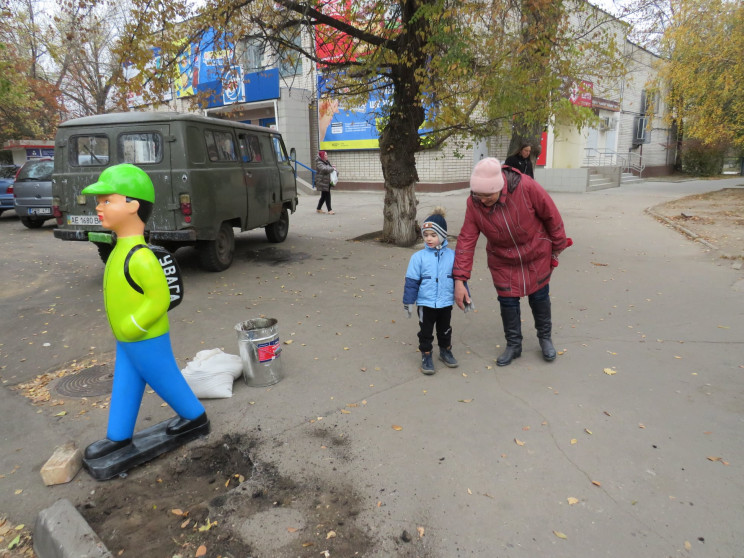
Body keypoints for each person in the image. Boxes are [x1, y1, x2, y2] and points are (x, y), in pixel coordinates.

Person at [81, 164, 208, 460]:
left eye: (106, 201)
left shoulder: (141, 257)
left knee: (164, 377)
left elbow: (160, 298)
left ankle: (194, 416)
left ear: (132, 205)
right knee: (126, 382)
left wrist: (136, 324)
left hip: (144, 335)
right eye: (99, 202)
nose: (98, 207)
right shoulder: (119, 251)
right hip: (127, 336)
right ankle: (119, 436)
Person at [453, 157, 569, 366]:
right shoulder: (474, 204)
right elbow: (467, 239)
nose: (483, 200)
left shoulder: (525, 186)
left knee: (539, 296)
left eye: (488, 195)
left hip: (536, 251)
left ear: (500, 187)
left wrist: (558, 244)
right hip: (502, 258)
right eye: (479, 195)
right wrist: (460, 279)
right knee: (507, 301)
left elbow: (551, 214)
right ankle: (514, 344)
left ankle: (545, 338)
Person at [402, 207, 459, 375]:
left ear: (442, 235)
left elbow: (459, 279)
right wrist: (408, 301)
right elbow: (411, 281)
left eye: (433, 235)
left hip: (445, 302)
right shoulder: (418, 257)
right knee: (425, 331)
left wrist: (465, 297)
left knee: (445, 329)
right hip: (425, 303)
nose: (429, 239)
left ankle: (445, 350)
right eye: (426, 235)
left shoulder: (452, 256)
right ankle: (426, 354)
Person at [315, 150, 336, 215]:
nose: (327, 156)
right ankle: (329, 210)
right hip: (322, 181)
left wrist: (333, 168)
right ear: (322, 156)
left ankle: (318, 208)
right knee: (327, 195)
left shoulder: (326, 162)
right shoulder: (319, 163)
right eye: (325, 155)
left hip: (326, 181)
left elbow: (329, 169)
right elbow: (324, 169)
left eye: (326, 155)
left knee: (323, 196)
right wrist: (332, 168)